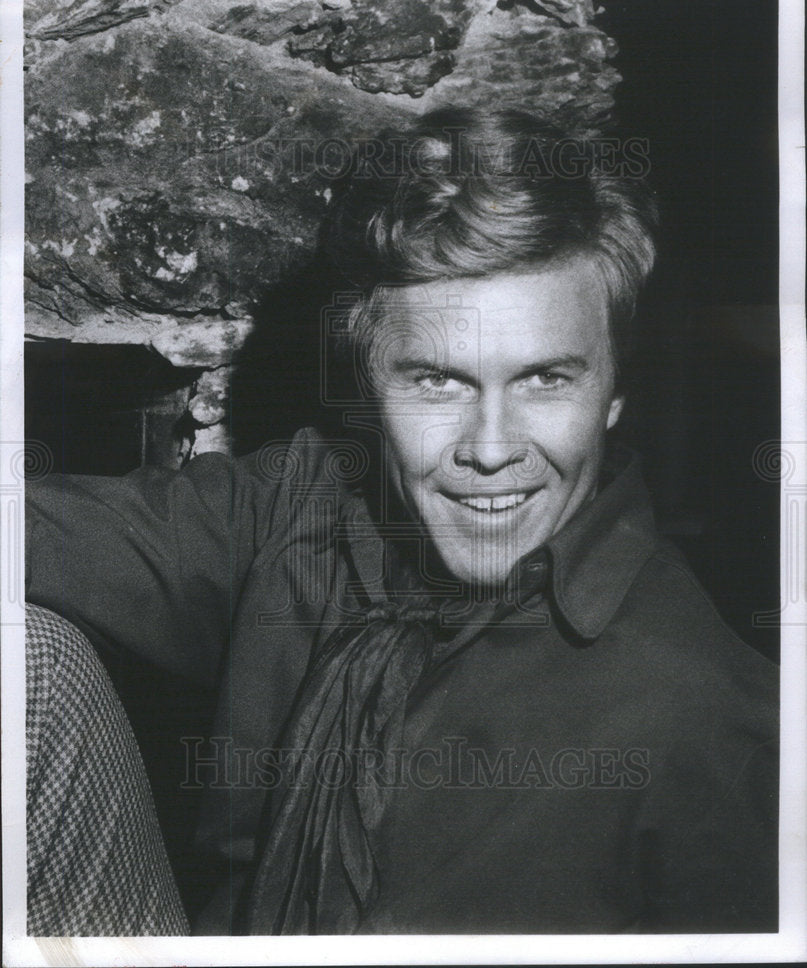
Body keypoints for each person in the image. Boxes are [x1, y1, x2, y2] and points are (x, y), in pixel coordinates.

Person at [25, 107, 778, 936]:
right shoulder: (299, 503)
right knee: (29, 658)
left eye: (544, 380)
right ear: (370, 387)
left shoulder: (706, 711)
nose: (490, 449)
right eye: (437, 382)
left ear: (613, 395)